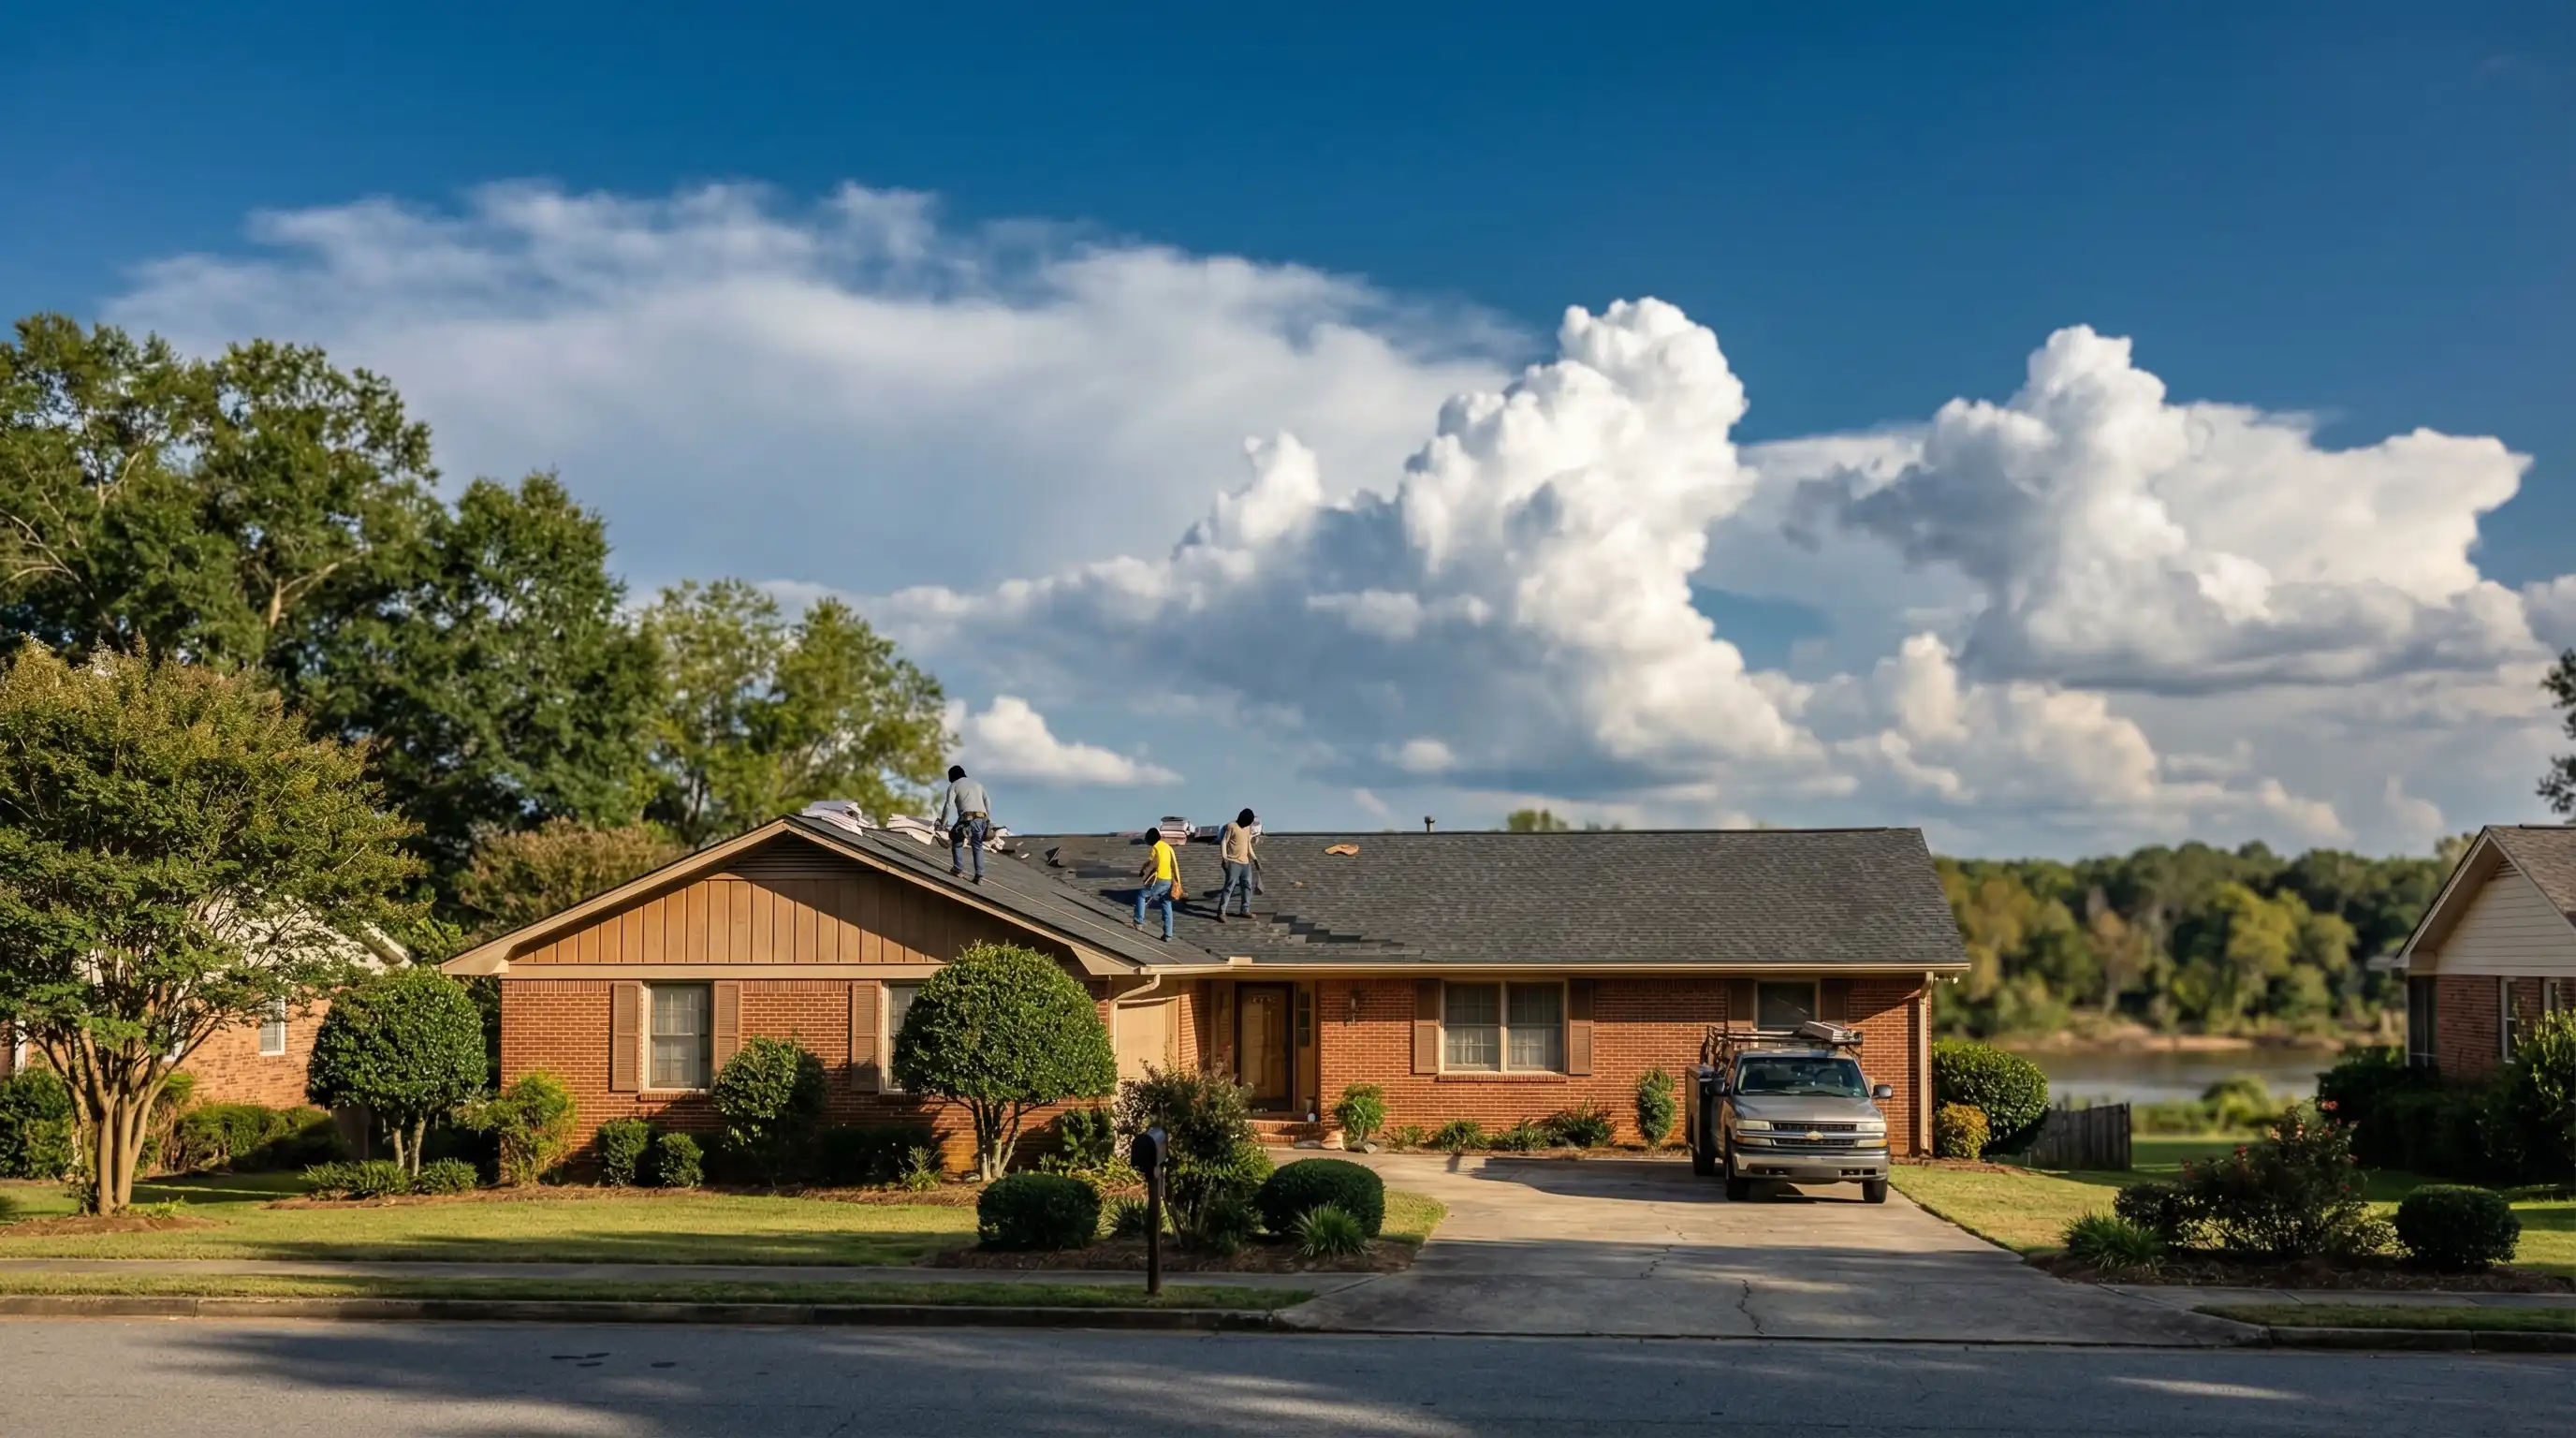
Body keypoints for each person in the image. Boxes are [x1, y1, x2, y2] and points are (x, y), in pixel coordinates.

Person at [932, 765, 993, 882]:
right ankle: (979, 876)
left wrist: (943, 823)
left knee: (957, 840)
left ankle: (958, 869)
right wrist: (988, 819)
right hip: (982, 818)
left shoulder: (954, 785)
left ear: (952, 776)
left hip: (967, 819)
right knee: (977, 845)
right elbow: (987, 800)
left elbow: (948, 805)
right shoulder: (977, 784)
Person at [1134, 823, 1178, 940]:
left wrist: (1144, 873)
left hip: (1159, 880)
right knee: (1166, 903)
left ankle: (1139, 921)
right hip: (1168, 880)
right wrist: (1177, 881)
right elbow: (1173, 864)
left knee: (1141, 895)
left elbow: (1152, 863)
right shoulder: (1167, 847)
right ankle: (1168, 934)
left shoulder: (1156, 847)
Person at [1217, 808, 1259, 922]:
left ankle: (1245, 909)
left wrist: (1254, 858)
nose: (1246, 824)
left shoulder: (1248, 828)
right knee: (1229, 886)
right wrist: (1224, 857)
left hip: (1245, 862)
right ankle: (1221, 912)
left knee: (1247, 886)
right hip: (1233, 861)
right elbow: (1224, 841)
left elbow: (1248, 844)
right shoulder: (1231, 826)